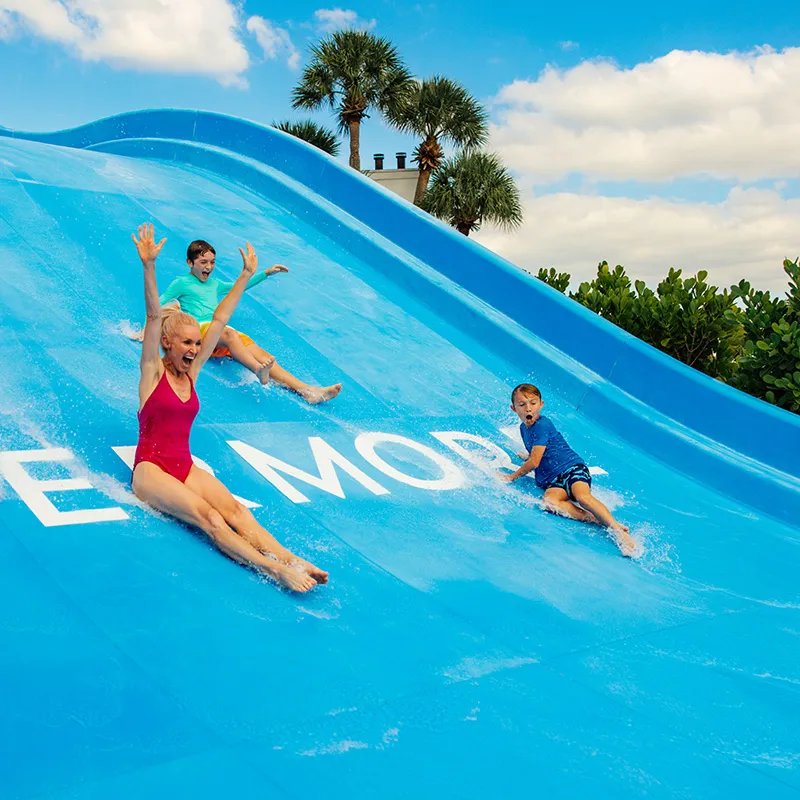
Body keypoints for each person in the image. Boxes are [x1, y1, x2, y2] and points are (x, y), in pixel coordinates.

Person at [130, 223, 328, 592]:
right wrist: (149, 266)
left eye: (196, 344)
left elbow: (219, 319)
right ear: (167, 344)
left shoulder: (192, 373)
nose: (193, 349)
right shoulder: (152, 372)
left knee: (236, 511)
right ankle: (275, 570)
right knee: (211, 520)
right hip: (151, 470)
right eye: (185, 343)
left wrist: (248, 275)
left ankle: (291, 558)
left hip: (183, 466)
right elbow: (155, 317)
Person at [152, 238, 341, 404]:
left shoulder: (215, 284)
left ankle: (308, 391)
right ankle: (258, 370)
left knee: (264, 356)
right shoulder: (181, 282)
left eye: (212, 262)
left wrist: (265, 273)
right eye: (203, 262)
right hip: (198, 332)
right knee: (229, 333)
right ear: (189, 262)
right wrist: (148, 330)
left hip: (219, 330)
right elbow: (158, 303)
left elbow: (239, 287)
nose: (208, 267)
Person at [501, 383, 637, 557]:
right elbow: (537, 451)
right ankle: (593, 518)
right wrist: (528, 456)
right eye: (522, 405)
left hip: (572, 468)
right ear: (514, 409)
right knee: (549, 502)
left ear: (541, 404)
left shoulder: (543, 425)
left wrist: (511, 477)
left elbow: (535, 462)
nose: (528, 408)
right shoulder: (523, 428)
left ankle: (617, 529)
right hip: (554, 480)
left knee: (582, 497)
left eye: (533, 403)